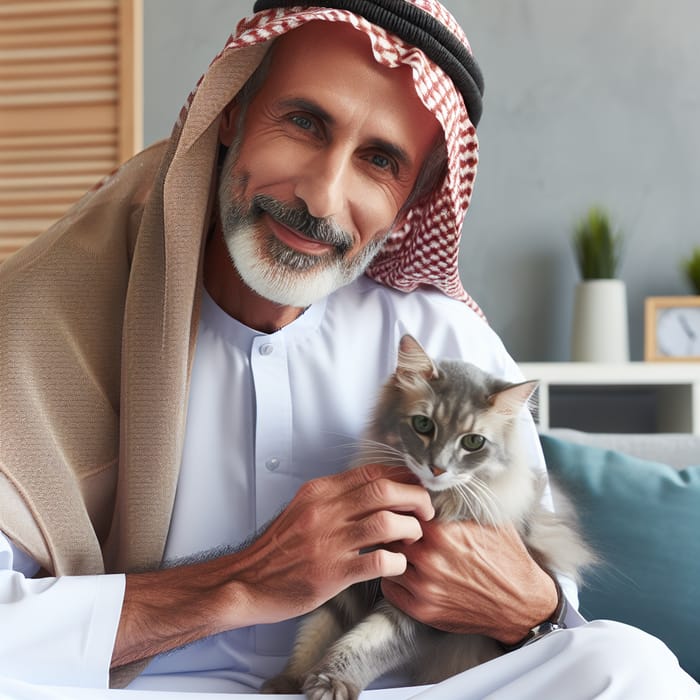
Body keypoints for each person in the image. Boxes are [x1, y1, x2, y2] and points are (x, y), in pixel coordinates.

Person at [0, 1, 696, 698]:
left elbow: (551, 628)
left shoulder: (444, 343)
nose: (322, 196)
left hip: (391, 690)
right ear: (234, 114)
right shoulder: (49, 322)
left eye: (380, 160)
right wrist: (240, 581)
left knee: (631, 670)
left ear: (413, 197)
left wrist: (532, 610)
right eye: (304, 122)